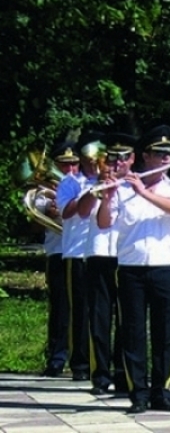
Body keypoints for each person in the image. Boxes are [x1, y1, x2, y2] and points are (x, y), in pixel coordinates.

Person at [97, 125, 170, 413]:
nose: (165, 158)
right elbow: (103, 223)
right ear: (145, 156)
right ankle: (138, 393)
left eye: (168, 153)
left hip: (164, 267)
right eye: (159, 153)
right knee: (133, 332)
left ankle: (163, 391)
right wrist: (110, 196)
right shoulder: (122, 189)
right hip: (130, 268)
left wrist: (143, 192)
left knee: (165, 332)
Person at [78, 132, 136, 395]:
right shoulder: (92, 183)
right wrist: (98, 187)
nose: (118, 163)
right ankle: (100, 375)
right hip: (100, 255)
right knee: (100, 318)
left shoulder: (138, 186)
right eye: (113, 158)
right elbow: (80, 211)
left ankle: (124, 374)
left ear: (132, 159)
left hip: (127, 258)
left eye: (123, 158)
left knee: (128, 319)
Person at [55, 130, 103, 381]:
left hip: (104, 252)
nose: (96, 160)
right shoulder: (70, 182)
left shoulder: (112, 179)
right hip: (77, 252)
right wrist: (92, 190)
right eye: (91, 155)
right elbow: (67, 212)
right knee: (79, 311)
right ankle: (81, 364)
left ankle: (103, 362)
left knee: (102, 310)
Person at [38, 141, 81, 377]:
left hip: (80, 253)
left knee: (83, 307)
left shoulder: (84, 186)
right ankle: (56, 356)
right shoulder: (45, 191)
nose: (69, 169)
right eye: (64, 165)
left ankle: (80, 358)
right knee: (60, 307)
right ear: (55, 165)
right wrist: (51, 211)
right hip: (58, 252)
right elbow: (34, 222)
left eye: (74, 164)